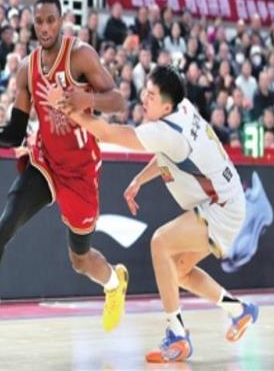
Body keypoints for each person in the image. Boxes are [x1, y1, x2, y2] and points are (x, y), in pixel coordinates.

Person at [0, 0, 129, 352]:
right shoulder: (27, 69)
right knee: (5, 225)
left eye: (50, 20)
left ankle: (113, 283)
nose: (44, 27)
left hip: (80, 170)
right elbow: (16, 132)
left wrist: (87, 99)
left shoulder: (80, 56)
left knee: (80, 260)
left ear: (61, 21)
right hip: (45, 160)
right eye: (39, 21)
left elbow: (118, 101)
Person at [40, 65, 258, 363]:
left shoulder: (165, 131)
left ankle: (177, 336)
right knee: (179, 271)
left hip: (223, 207)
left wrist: (67, 107)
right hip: (226, 198)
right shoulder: (182, 109)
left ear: (167, 106)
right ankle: (240, 310)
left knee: (160, 243)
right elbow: (168, 154)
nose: (144, 98)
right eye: (146, 90)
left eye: (151, 96)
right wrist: (140, 179)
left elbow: (107, 132)